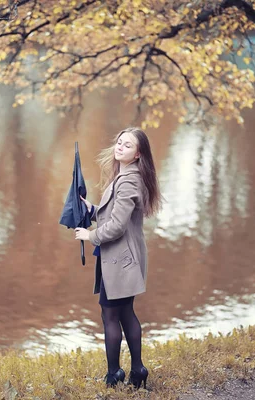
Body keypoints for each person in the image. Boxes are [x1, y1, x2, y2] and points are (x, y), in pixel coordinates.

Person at [74, 127, 162, 389]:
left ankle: (114, 375)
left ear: (138, 155)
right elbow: (111, 215)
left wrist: (90, 236)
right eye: (119, 142)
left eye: (128, 145)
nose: (120, 146)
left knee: (111, 316)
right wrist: (91, 209)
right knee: (124, 314)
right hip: (121, 260)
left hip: (121, 262)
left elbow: (117, 227)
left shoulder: (129, 180)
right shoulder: (125, 176)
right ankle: (138, 371)